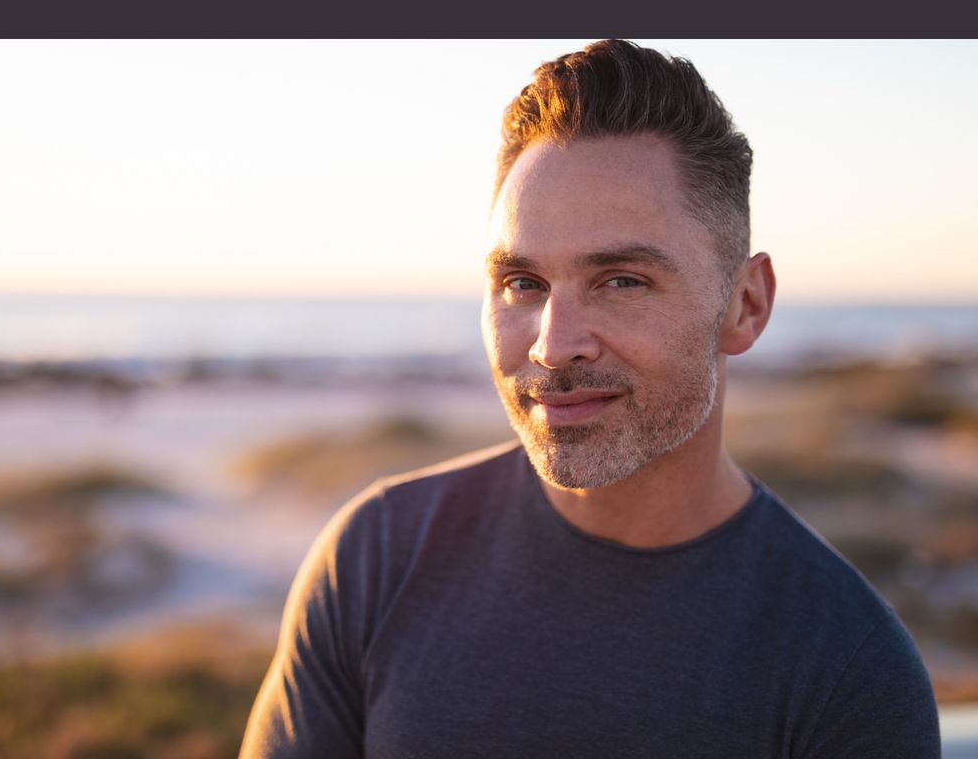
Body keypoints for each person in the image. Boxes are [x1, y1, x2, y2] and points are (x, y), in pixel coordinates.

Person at [239, 41, 941, 758]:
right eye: (522, 283)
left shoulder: (847, 671)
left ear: (746, 305)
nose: (553, 344)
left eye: (622, 280)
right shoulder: (380, 555)